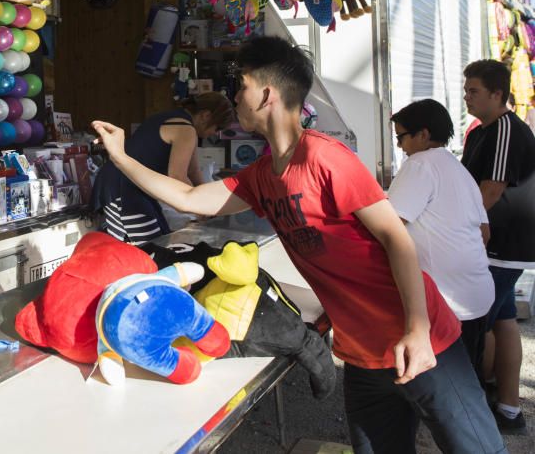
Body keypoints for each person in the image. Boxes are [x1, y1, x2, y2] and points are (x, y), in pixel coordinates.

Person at [94, 36, 504, 454]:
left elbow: (395, 237)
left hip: (421, 340)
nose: (236, 97)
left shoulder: (326, 157)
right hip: (362, 356)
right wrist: (123, 158)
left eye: (242, 86)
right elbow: (188, 198)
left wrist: (417, 330)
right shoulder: (261, 174)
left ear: (266, 93)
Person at [387, 99, 494, 380]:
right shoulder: (458, 170)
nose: (399, 146)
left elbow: (389, 226)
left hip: (446, 303)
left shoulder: (420, 164)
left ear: (422, 134)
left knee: (446, 393)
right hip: (476, 295)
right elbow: (485, 232)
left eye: (401, 137)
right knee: (470, 380)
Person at [461, 59, 535, 435]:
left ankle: (472, 415)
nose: (466, 97)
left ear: (497, 94)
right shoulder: (479, 132)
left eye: (473, 91)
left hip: (503, 245)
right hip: (494, 245)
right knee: (503, 322)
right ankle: (508, 408)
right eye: (466, 90)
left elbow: (491, 189)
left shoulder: (505, 128)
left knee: (476, 325)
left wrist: (458, 223)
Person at [91, 92, 233, 245]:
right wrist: (200, 209)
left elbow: (193, 172)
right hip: (122, 187)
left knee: (161, 236)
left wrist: (209, 203)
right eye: (217, 127)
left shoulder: (173, 118)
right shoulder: (186, 129)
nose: (215, 133)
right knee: (149, 247)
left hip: (129, 184)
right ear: (205, 115)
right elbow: (177, 176)